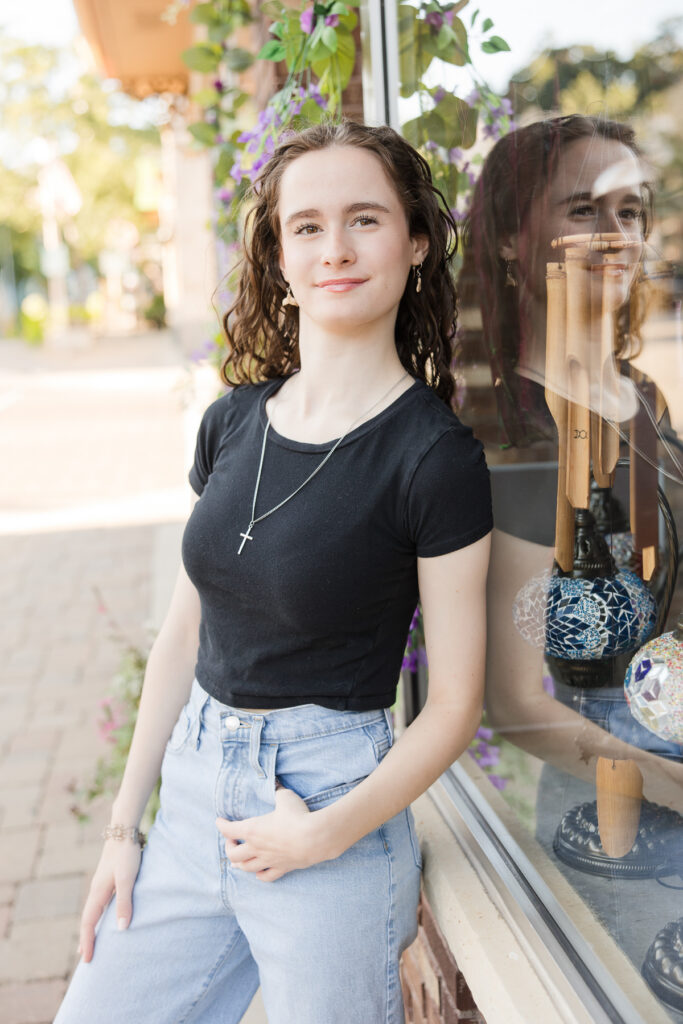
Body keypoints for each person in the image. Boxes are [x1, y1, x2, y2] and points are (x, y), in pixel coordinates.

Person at [54, 121, 492, 1024]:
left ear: (414, 244)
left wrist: (322, 834)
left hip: (329, 814)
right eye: (307, 227)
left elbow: (453, 708)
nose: (334, 248)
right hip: (192, 800)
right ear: (278, 256)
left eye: (364, 220)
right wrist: (121, 830)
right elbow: (183, 635)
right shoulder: (232, 422)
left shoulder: (432, 458)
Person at [459, 114, 682, 990]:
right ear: (516, 242)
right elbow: (515, 705)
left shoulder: (641, 398)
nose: (617, 234)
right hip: (619, 816)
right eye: (583, 210)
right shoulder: (517, 431)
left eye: (630, 210)